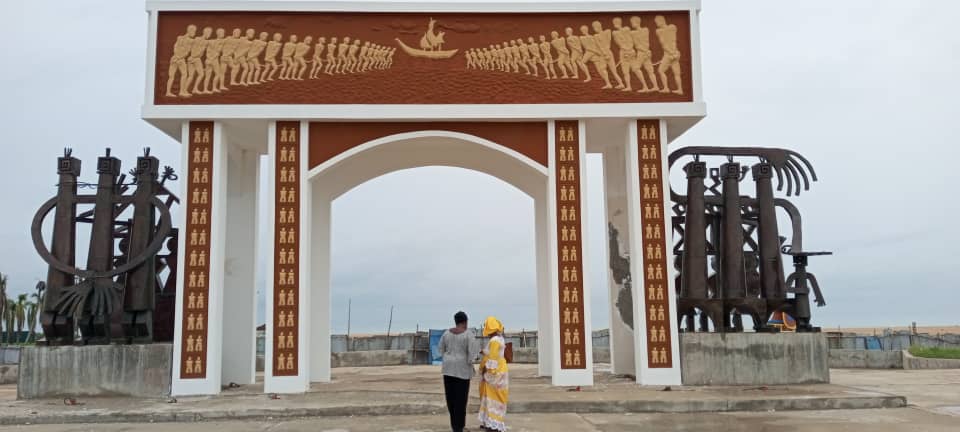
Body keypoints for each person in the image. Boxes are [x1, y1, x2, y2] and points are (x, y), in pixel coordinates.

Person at [439, 311, 479, 432]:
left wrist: (449, 357)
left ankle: (454, 425)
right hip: (462, 371)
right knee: (461, 400)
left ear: (456, 322)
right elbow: (473, 354)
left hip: (448, 369)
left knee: (450, 398)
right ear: (465, 322)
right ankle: (459, 427)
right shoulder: (468, 335)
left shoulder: (446, 333)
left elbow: (441, 349)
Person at [477, 316, 509, 431]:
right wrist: (484, 351)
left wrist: (487, 369)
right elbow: (493, 352)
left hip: (495, 373)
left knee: (492, 398)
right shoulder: (500, 339)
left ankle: (493, 424)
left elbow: (493, 357)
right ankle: (491, 422)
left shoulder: (494, 341)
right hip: (501, 370)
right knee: (495, 397)